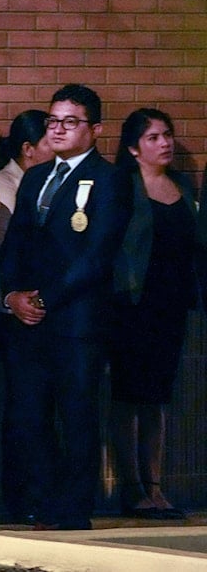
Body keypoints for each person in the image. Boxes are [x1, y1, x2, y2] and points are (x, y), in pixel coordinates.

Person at [0, 83, 131, 530]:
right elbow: (15, 241)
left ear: (94, 129)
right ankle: (41, 501)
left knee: (76, 414)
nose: (57, 129)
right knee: (30, 414)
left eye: (70, 122)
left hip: (76, 318)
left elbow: (97, 254)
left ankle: (74, 510)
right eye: (53, 121)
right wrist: (12, 294)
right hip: (28, 317)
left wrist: (48, 298)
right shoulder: (36, 175)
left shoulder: (110, 179)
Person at [110, 108, 196, 521]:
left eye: (168, 134)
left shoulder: (181, 185)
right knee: (129, 395)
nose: (165, 143)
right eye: (154, 137)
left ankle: (156, 484)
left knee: (158, 396)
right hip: (132, 306)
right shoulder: (124, 187)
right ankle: (132, 486)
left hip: (171, 306)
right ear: (133, 147)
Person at [0, 109, 53, 523]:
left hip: (47, 310)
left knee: (42, 406)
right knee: (25, 406)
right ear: (28, 149)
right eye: (48, 141)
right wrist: (11, 299)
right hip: (10, 313)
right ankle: (24, 495)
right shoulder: (1, 188)